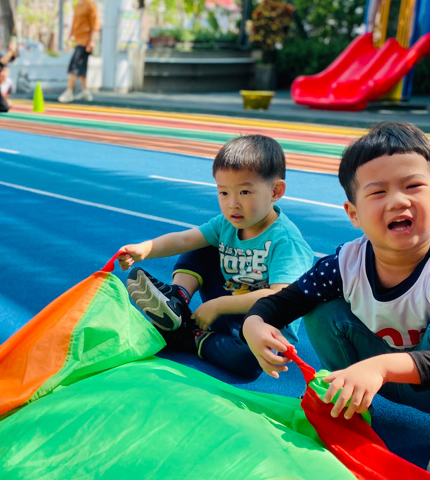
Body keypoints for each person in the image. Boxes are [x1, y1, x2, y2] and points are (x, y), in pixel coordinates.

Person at [243, 122, 430, 480]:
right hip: (369, 378)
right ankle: (348, 405)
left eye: (413, 186)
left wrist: (380, 367)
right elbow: (284, 303)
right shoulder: (346, 263)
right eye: (378, 191)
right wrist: (254, 323)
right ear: (353, 214)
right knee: (322, 307)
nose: (398, 201)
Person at [117, 135, 314, 382]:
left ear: (275, 191)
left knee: (250, 359)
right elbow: (185, 240)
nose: (233, 204)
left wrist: (218, 305)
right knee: (203, 241)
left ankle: (190, 336)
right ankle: (177, 298)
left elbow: (280, 295)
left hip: (259, 326)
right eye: (223, 192)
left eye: (244, 191)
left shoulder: (286, 242)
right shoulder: (226, 225)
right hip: (221, 310)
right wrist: (146, 249)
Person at [57, 0, 100, 104]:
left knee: (74, 65)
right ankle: (85, 91)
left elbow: (95, 25)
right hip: (77, 40)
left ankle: (69, 91)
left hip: (85, 41)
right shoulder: (77, 6)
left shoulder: (91, 5)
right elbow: (74, 24)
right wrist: (69, 39)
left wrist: (92, 41)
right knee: (81, 67)